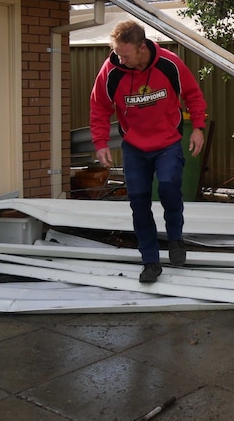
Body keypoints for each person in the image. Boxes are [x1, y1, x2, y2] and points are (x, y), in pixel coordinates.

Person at [90, 20, 207, 283]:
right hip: (134, 147)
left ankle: (175, 239)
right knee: (139, 203)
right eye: (117, 53)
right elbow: (99, 107)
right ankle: (150, 262)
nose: (120, 58)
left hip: (167, 143)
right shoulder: (111, 70)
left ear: (141, 47)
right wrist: (100, 142)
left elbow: (192, 94)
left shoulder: (170, 63)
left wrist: (198, 126)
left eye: (125, 54)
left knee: (168, 188)